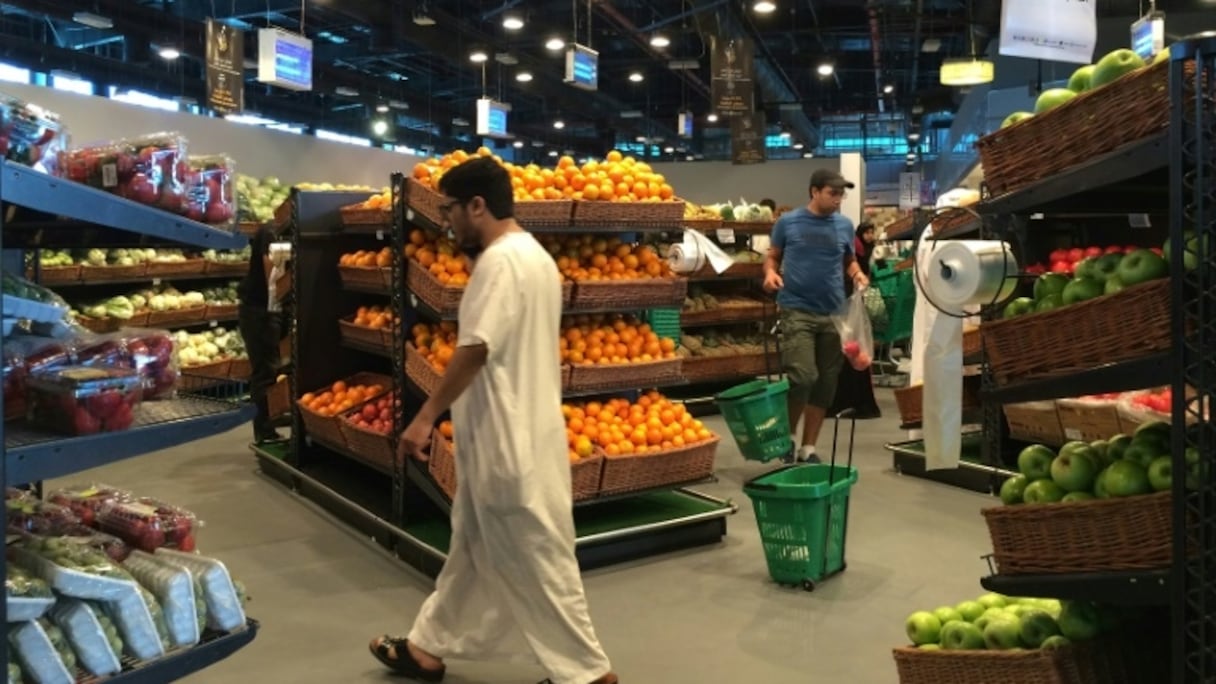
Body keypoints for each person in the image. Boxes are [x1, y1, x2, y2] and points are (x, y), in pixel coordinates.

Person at [369, 157, 618, 684]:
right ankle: (426, 647)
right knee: (473, 546)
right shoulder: (537, 259)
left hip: (508, 443)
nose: (449, 223)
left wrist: (425, 417)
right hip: (521, 435)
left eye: (452, 211)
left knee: (539, 557)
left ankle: (588, 673)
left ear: (477, 205)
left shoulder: (500, 263)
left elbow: (474, 348)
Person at [764, 169, 869, 463]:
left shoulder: (845, 226)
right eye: (832, 193)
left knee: (826, 382)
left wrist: (858, 273)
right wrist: (771, 272)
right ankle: (787, 438)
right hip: (796, 309)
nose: (837, 199)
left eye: (840, 194)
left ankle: (808, 447)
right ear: (814, 191)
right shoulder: (788, 222)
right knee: (803, 376)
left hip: (834, 313)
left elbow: (848, 259)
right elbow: (773, 256)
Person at [236, 224, 288, 443]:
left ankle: (269, 425)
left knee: (270, 370)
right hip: (260, 312)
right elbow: (273, 273)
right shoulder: (271, 232)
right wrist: (277, 307)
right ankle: (264, 431)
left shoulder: (283, 233)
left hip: (267, 310)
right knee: (265, 372)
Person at [830, 220, 882, 420]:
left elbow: (852, 265)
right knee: (847, 351)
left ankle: (854, 403)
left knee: (848, 351)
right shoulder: (849, 242)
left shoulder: (845, 241)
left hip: (842, 299)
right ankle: (849, 402)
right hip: (841, 298)